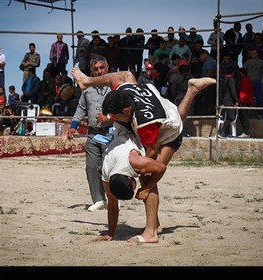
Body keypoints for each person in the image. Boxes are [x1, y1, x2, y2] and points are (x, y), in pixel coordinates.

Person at [71, 66, 216, 243]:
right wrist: (88, 82)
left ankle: (151, 233)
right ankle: (192, 89)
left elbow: (155, 159)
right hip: (162, 108)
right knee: (130, 78)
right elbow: (123, 75)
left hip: (168, 130)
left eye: (115, 117)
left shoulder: (145, 127)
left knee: (147, 176)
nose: (114, 119)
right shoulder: (125, 89)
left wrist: (146, 187)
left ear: (125, 111)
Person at [67, 55, 113, 212]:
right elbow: (81, 108)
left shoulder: (115, 86)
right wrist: (74, 125)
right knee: (92, 167)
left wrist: (108, 117)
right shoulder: (87, 90)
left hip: (112, 133)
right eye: (96, 69)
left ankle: (113, 199)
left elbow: (124, 107)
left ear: (107, 68)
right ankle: (99, 200)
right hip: (93, 134)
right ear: (92, 72)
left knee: (109, 168)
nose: (99, 71)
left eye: (102, 68)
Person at [218, 66, 238, 138]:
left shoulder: (223, 79)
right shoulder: (231, 80)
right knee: (231, 117)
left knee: (228, 116)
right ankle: (221, 132)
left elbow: (221, 91)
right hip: (229, 100)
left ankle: (226, 132)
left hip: (224, 100)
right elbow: (233, 91)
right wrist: (236, 100)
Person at [237, 67, 253, 138]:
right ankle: (245, 131)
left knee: (244, 116)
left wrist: (240, 100)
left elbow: (244, 91)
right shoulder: (245, 79)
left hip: (245, 101)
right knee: (242, 116)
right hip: (245, 100)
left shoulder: (245, 80)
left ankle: (246, 132)